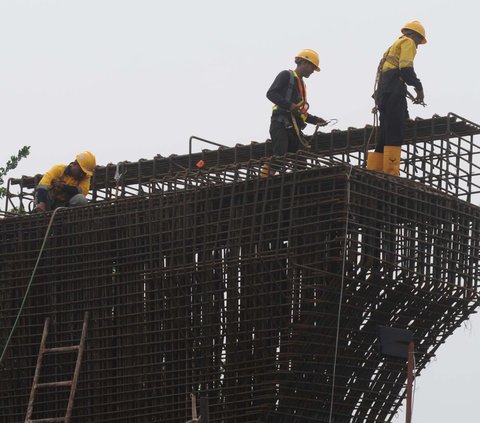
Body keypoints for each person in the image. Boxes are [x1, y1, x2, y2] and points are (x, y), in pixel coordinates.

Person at [367, 21, 427, 176]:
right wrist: (419, 88)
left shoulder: (393, 46)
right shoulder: (408, 42)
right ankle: (391, 173)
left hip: (384, 92)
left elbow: (389, 75)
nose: (417, 46)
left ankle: (374, 171)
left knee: (384, 133)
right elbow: (406, 68)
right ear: (414, 35)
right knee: (395, 131)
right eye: (419, 42)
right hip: (393, 90)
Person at [263, 49, 327, 176]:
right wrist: (290, 106)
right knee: (280, 157)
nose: (313, 71)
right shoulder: (286, 75)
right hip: (280, 124)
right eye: (312, 67)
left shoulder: (301, 84)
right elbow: (271, 94)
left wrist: (315, 120)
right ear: (303, 62)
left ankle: (298, 188)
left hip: (293, 128)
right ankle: (261, 182)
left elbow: (299, 112)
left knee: (301, 160)